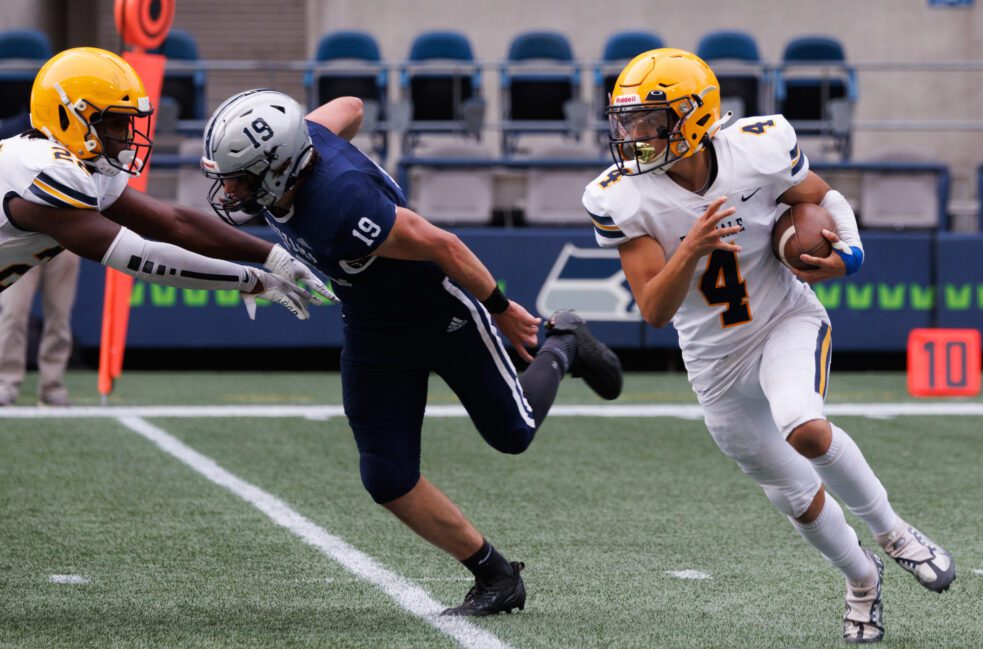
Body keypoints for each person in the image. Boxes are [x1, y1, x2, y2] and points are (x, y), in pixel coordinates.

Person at [200, 88, 624, 616]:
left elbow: (441, 244)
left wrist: (502, 307)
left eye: (241, 177)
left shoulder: (342, 202)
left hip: (434, 310)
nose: (230, 190)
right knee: (386, 475)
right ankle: (495, 576)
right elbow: (351, 105)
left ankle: (562, 343)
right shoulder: (299, 151)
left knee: (512, 433)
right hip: (372, 323)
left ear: (280, 168)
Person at [585, 49, 954, 643]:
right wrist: (691, 246)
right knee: (796, 496)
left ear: (695, 117)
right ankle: (863, 580)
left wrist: (850, 254)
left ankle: (892, 531)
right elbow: (654, 310)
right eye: (627, 121)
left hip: (784, 318)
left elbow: (822, 196)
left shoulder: (756, 148)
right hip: (713, 361)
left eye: (652, 120)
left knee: (803, 424)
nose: (634, 135)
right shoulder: (623, 196)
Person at [0, 47, 338, 349]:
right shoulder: (44, 168)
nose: (127, 138)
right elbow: (142, 258)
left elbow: (174, 224)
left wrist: (272, 256)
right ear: (68, 116)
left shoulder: (78, 164)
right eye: (116, 123)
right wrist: (248, 279)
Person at [0, 250, 79, 406]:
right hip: (23, 236)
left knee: (59, 316)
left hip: (65, 238)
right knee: (13, 313)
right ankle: (6, 384)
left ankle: (52, 387)